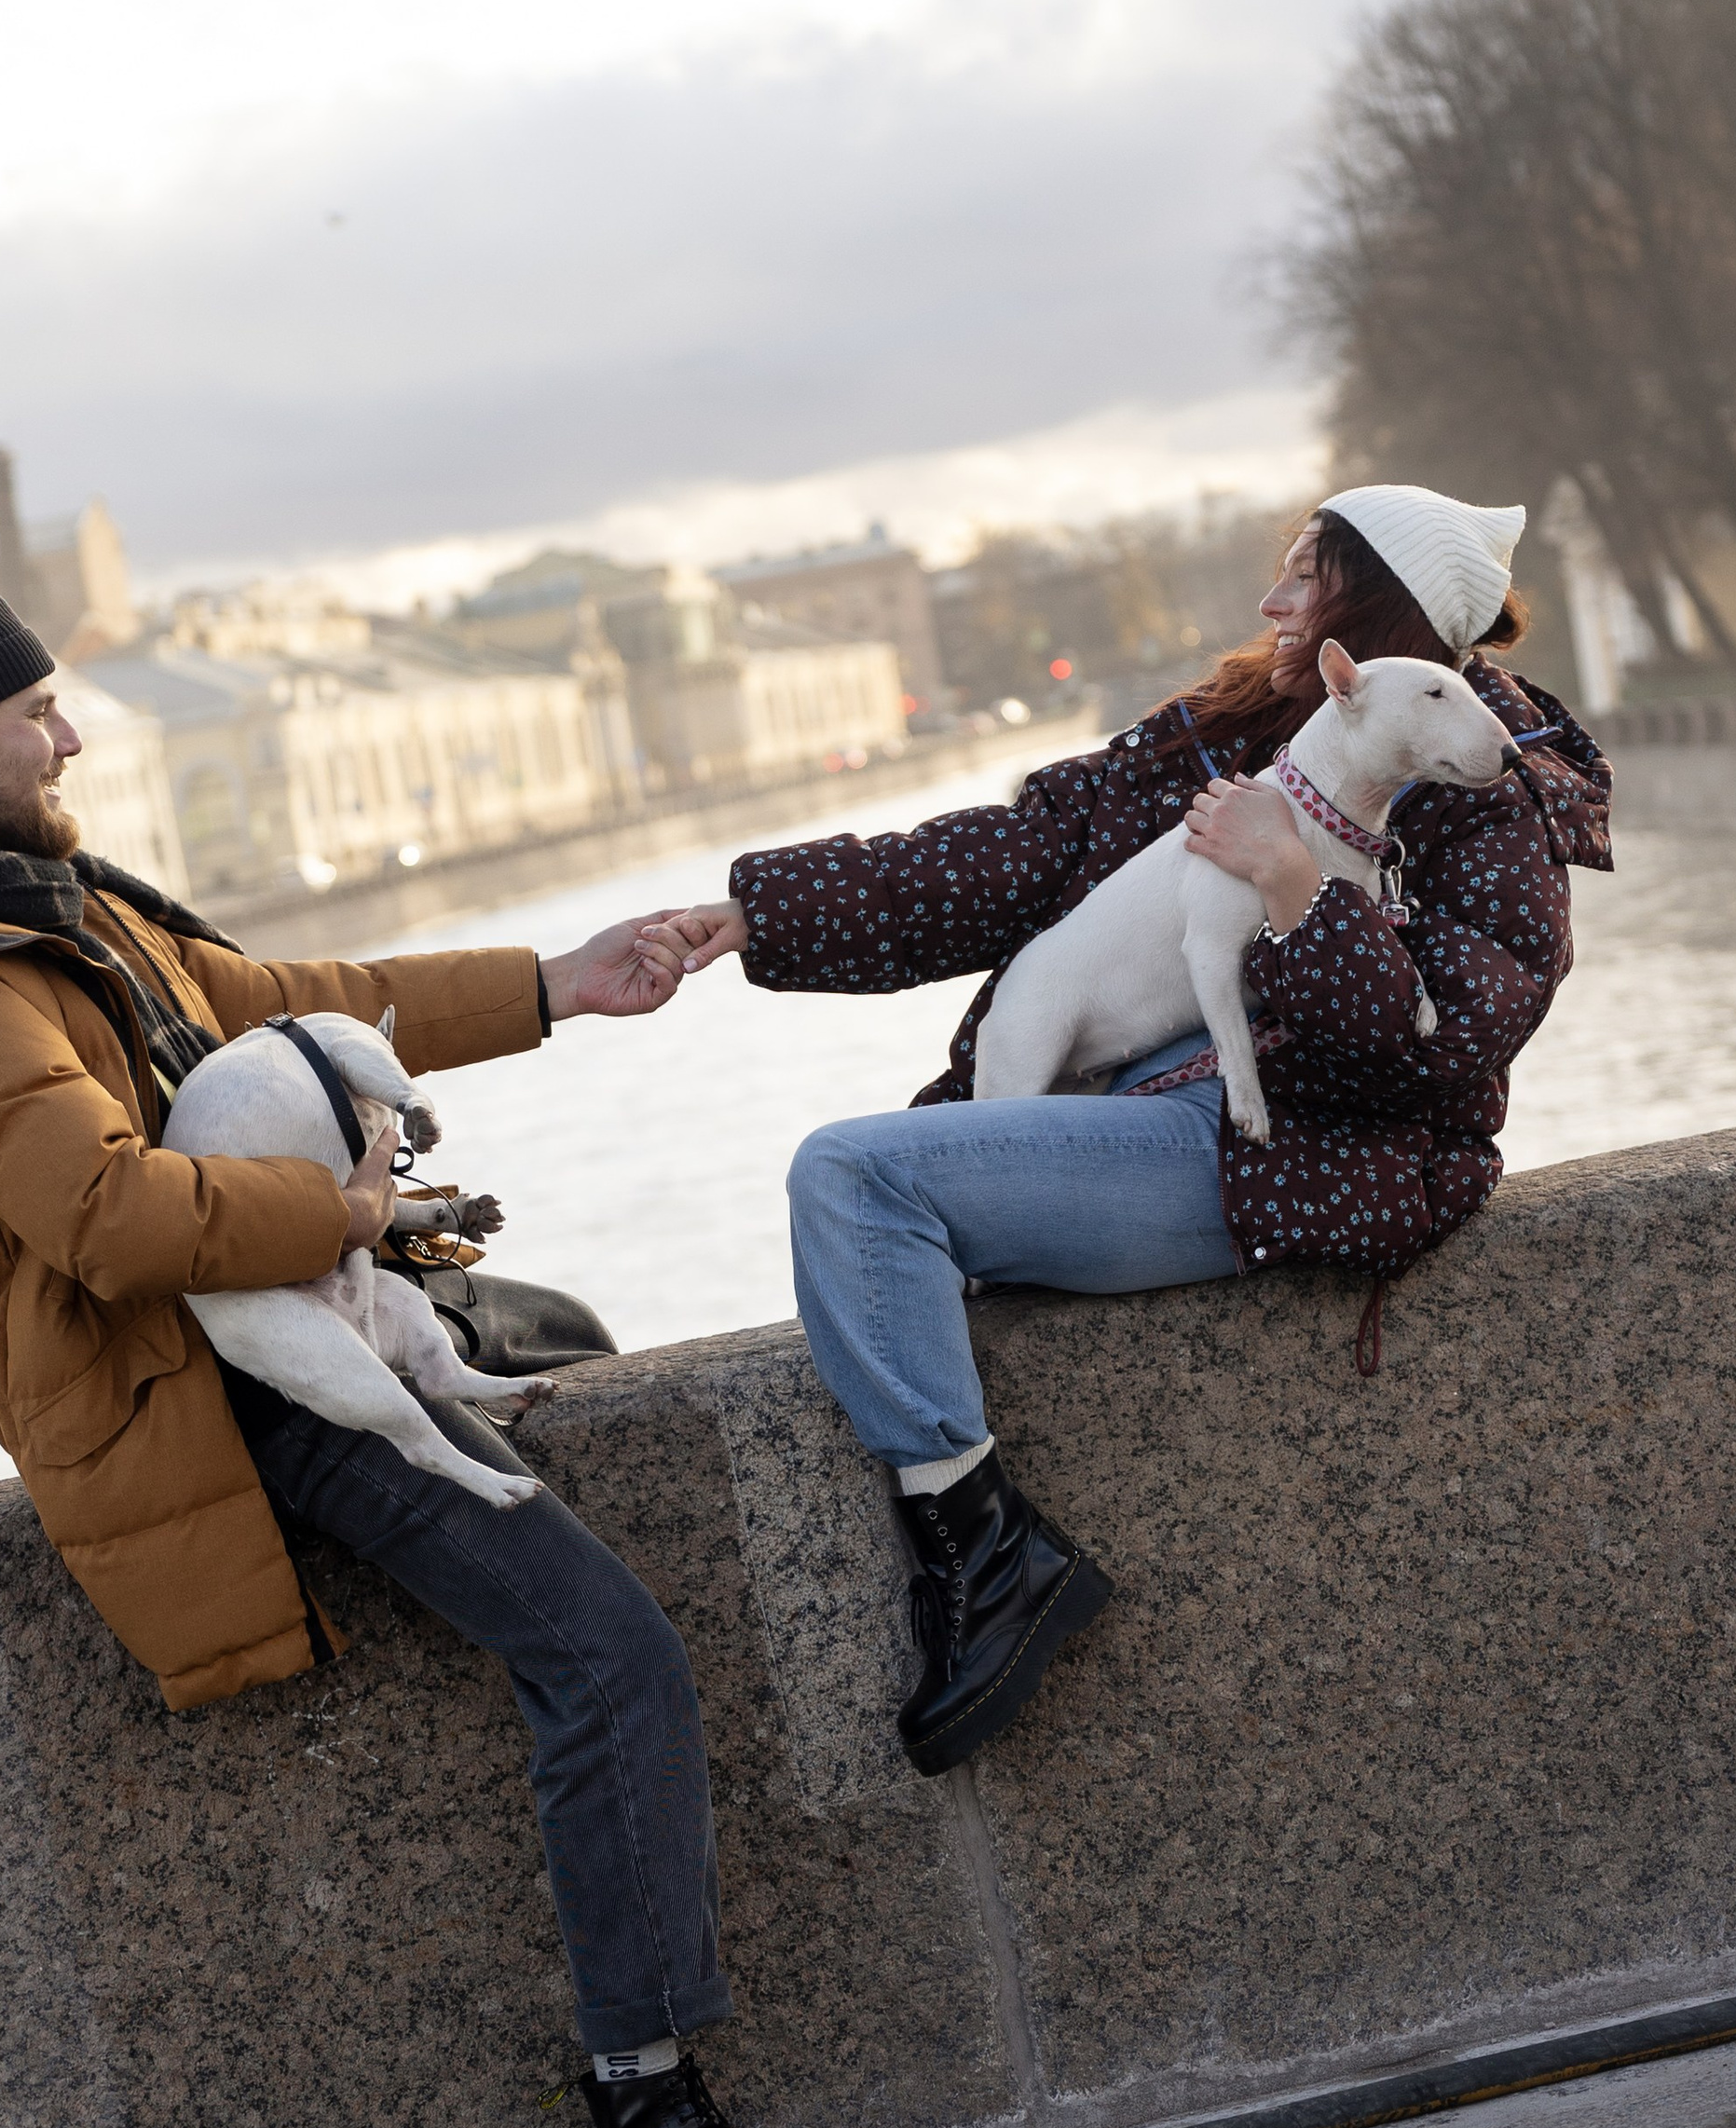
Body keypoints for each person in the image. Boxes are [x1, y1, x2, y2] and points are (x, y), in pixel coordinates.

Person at [0, 571, 873, 2128]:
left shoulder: (46, 904)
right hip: (206, 1398)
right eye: (36, 713)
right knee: (606, 1653)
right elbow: (111, 1222)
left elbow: (278, 1000)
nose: (66, 734)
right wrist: (344, 1220)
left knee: (561, 1338)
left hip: (260, 1336)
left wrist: (561, 984)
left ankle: (659, 2113)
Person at [650, 485, 1613, 1780]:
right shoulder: (1225, 730)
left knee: (854, 1176)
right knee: (867, 1187)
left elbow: (1439, 1063)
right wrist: (757, 915)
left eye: (1305, 580)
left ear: (1380, 616)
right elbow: (1020, 855)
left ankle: (989, 1564)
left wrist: (1290, 884)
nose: (1272, 605)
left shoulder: (1490, 785)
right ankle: (987, 1543)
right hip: (1144, 1119)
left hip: (1293, 1163)